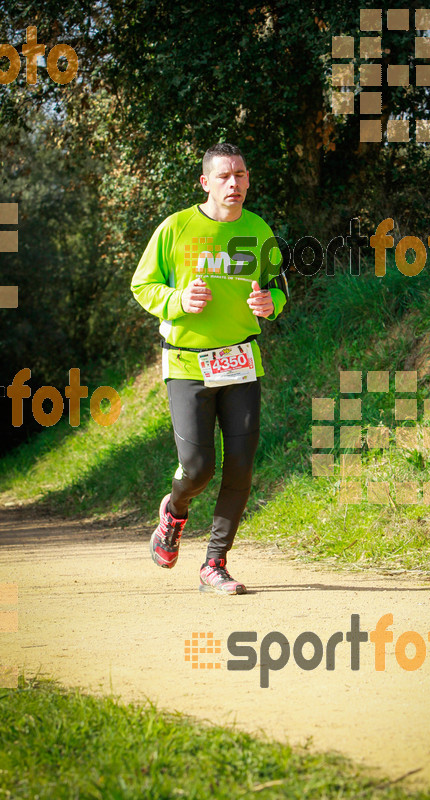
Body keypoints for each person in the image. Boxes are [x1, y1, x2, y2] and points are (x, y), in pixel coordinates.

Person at [131, 142, 288, 595]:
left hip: (241, 361)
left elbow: (279, 288)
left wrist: (269, 303)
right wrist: (177, 301)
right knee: (198, 468)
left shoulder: (259, 230)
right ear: (205, 182)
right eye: (223, 176)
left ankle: (214, 564)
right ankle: (174, 512)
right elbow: (142, 284)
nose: (233, 183)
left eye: (240, 174)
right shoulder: (176, 228)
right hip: (187, 364)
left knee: (240, 467)